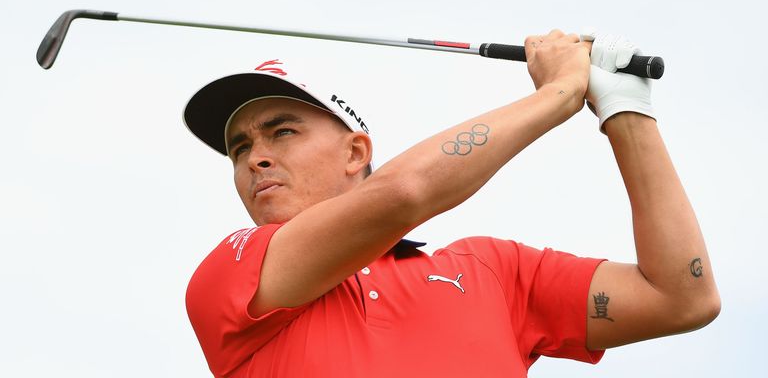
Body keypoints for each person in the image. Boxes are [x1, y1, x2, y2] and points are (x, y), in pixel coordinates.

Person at [183, 30, 720, 377]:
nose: (255, 159)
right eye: (241, 147)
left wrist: (624, 107)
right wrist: (556, 94)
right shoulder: (232, 271)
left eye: (281, 132)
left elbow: (681, 297)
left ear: (355, 152)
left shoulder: (493, 272)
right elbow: (401, 196)